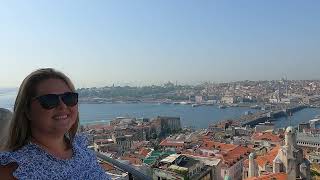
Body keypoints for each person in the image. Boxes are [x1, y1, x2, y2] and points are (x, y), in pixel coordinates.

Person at [0, 68, 111, 179]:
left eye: (69, 98)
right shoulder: (13, 168)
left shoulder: (81, 147)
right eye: (50, 100)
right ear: (27, 110)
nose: (63, 106)